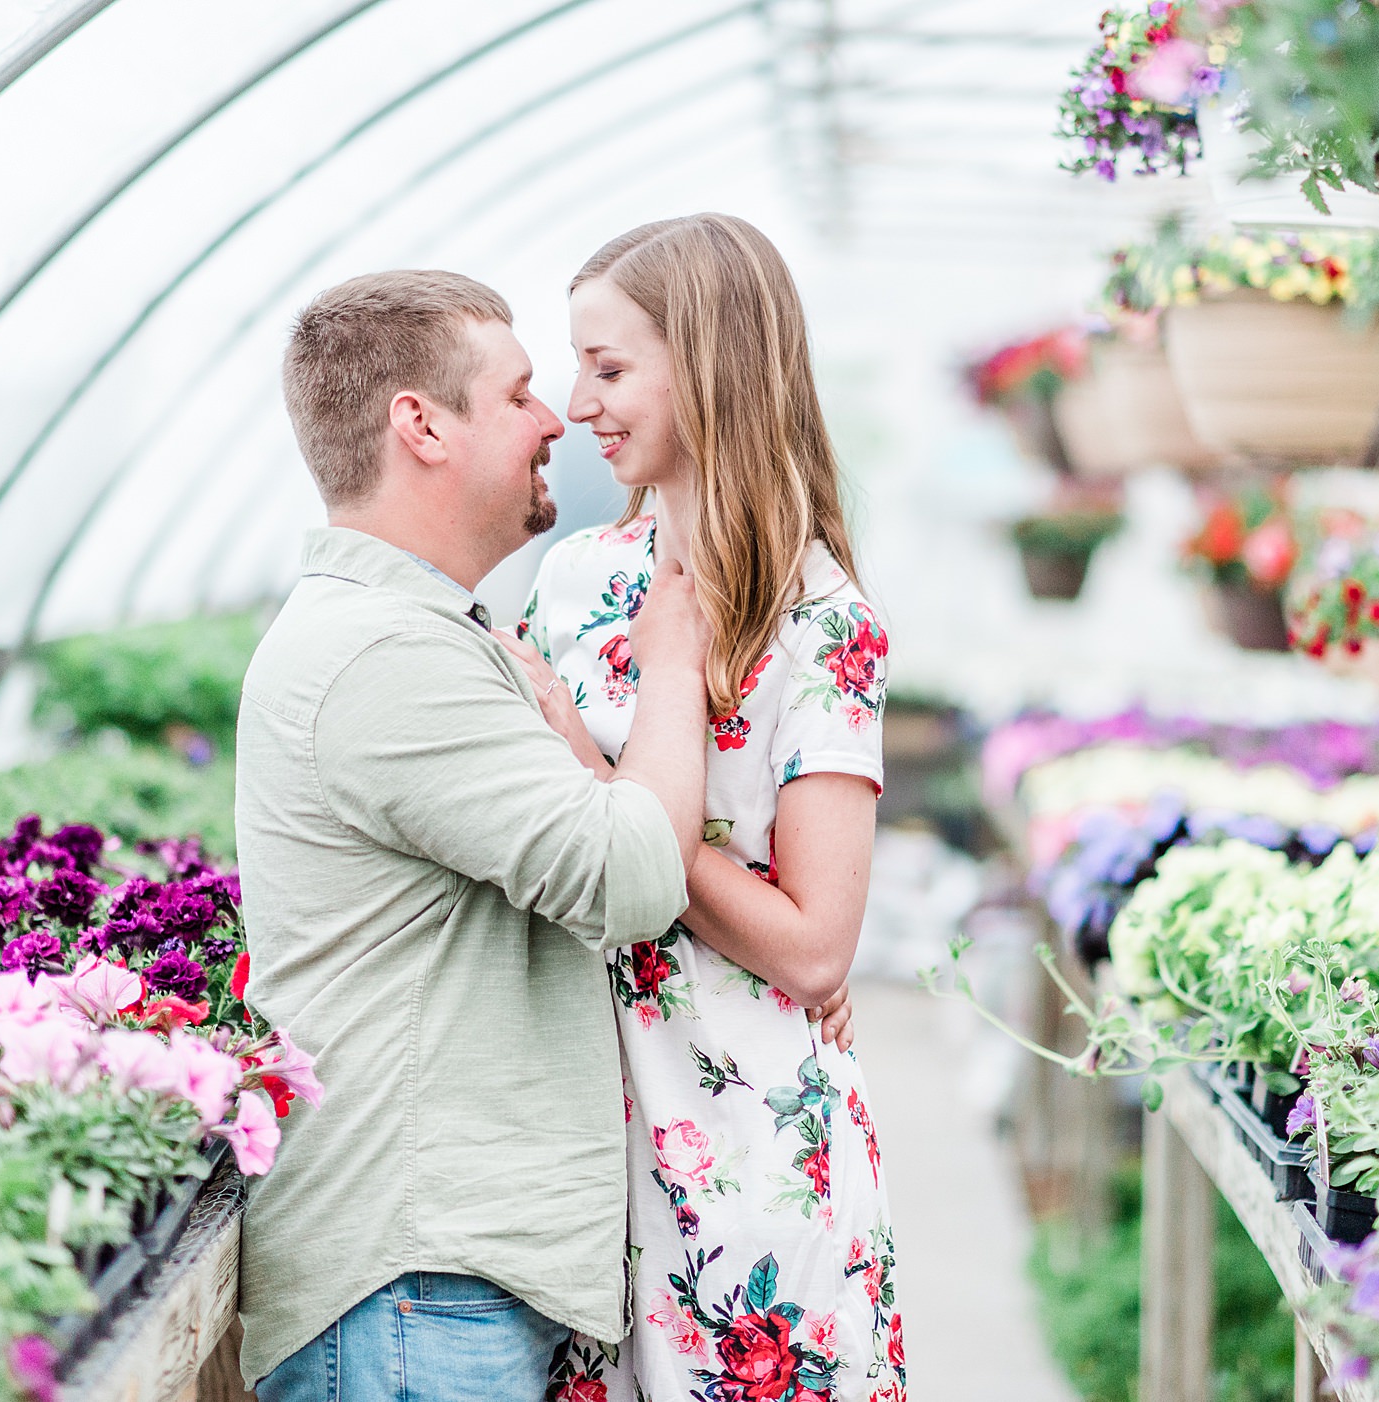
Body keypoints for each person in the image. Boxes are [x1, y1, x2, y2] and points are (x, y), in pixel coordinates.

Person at [233, 269, 713, 1400]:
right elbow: (632, 872)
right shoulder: (385, 655)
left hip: (434, 1290)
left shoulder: (425, 632)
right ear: (422, 425)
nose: (559, 421)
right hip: (413, 1290)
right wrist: (675, 670)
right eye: (520, 395)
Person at [523, 215, 906, 1402]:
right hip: (582, 1157)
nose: (578, 402)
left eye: (610, 366)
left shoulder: (822, 621)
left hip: (753, 1170)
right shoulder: (573, 580)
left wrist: (611, 793)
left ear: (709, 360)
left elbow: (814, 944)